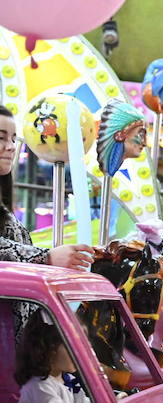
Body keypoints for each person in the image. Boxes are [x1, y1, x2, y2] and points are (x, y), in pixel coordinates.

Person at [0, 105, 94, 336]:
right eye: (1, 138)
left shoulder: (5, 208)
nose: (11, 147)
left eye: (13, 139)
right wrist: (46, 257)